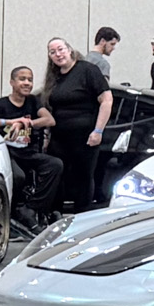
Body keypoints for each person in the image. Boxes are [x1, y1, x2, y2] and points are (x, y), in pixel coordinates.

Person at [0, 65, 61, 225]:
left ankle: (31, 208)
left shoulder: (33, 101)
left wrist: (27, 123)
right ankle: (13, 210)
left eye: (30, 80)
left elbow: (49, 120)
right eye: (22, 79)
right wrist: (9, 122)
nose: (27, 83)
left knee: (55, 165)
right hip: (8, 153)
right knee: (18, 176)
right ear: (12, 82)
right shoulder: (1, 104)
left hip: (28, 152)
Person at [41, 37, 112, 211]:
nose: (58, 54)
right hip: (59, 138)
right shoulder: (54, 78)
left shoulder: (88, 70)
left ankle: (82, 216)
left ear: (69, 50)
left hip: (85, 137)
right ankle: (56, 216)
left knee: (83, 178)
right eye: (53, 52)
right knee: (59, 176)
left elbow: (106, 100)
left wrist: (98, 131)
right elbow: (50, 109)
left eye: (60, 49)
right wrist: (47, 137)